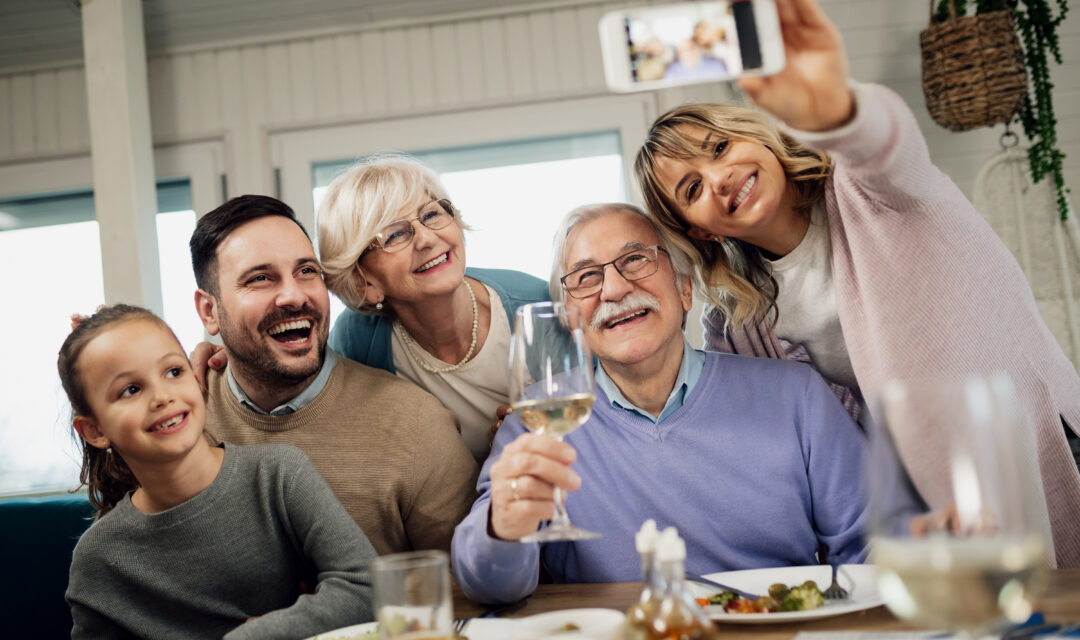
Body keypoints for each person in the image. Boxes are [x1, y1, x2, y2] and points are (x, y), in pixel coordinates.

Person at [632, 0, 1080, 567]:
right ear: (697, 229)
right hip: (931, 504)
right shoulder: (738, 321)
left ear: (757, 137)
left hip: (1039, 450)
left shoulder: (870, 190)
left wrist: (835, 108)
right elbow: (745, 416)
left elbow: (886, 144)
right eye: (692, 189)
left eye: (719, 149)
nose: (719, 179)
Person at [451, 203, 878, 604]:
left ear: (685, 289)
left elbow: (876, 546)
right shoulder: (537, 418)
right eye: (586, 277)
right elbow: (487, 585)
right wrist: (501, 530)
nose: (614, 289)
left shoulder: (796, 396)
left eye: (635, 259)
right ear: (568, 318)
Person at [60, 305, 375, 640]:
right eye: (130, 389)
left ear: (196, 380)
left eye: (174, 371)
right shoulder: (99, 557)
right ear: (95, 431)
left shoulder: (278, 475)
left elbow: (366, 585)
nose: (162, 396)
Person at [190, 195, 478, 555]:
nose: (293, 296)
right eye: (260, 278)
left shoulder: (417, 424)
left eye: (306, 271)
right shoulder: (180, 420)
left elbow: (471, 583)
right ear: (208, 311)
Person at [317, 155, 550, 462]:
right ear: (365, 282)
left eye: (431, 215)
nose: (427, 238)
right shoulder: (355, 340)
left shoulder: (537, 305)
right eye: (395, 234)